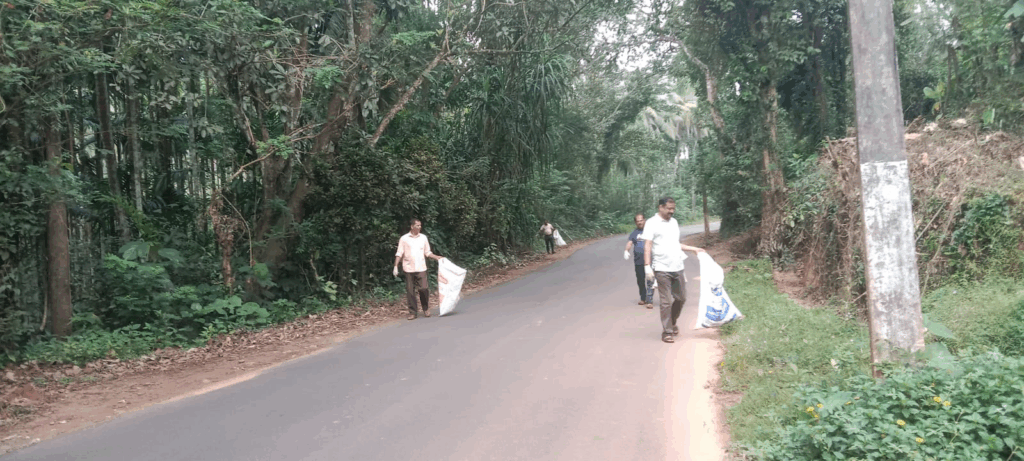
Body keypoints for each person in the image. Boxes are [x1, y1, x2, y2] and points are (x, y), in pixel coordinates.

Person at [641, 197, 705, 343]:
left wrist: (694, 249)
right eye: (669, 208)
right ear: (660, 207)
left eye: (673, 208)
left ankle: (672, 322)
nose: (672, 211)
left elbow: (676, 244)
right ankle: (667, 332)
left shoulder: (674, 222)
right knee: (666, 301)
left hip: (677, 266)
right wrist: (647, 266)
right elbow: (648, 245)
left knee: (681, 298)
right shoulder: (651, 223)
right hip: (661, 267)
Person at [393, 219, 443, 320]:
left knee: (424, 288)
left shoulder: (423, 238)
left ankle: (426, 308)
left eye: (420, 226)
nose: (419, 227)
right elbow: (399, 253)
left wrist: (437, 257)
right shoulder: (404, 239)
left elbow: (427, 252)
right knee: (410, 291)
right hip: (408, 268)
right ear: (412, 226)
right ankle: (412, 312)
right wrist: (395, 266)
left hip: (421, 268)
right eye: (417, 225)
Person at [624, 213, 655, 309]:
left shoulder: (650, 230)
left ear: (644, 220)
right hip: (638, 261)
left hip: (650, 260)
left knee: (650, 280)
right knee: (640, 280)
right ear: (635, 222)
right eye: (638, 221)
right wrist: (626, 250)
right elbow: (629, 243)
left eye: (641, 220)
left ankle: (649, 301)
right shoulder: (634, 233)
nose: (640, 222)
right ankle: (643, 298)